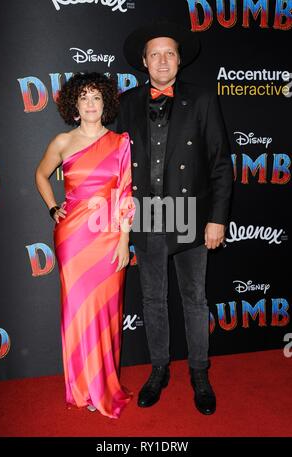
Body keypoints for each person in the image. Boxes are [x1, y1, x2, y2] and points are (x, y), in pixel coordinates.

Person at [116, 21, 233, 415]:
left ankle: (199, 372)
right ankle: (159, 369)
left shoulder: (201, 98)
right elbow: (117, 167)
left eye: (170, 53)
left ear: (179, 60)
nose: (162, 60)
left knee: (194, 300)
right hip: (146, 215)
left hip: (190, 216)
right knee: (152, 299)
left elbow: (220, 163)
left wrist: (216, 220)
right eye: (155, 54)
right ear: (144, 62)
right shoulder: (128, 102)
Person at [35, 72, 135, 419]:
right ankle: (81, 388)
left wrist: (124, 240)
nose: (91, 104)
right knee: (78, 312)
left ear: (105, 103)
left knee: (106, 312)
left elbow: (125, 195)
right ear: (74, 106)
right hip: (73, 237)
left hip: (108, 235)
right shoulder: (62, 142)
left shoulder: (121, 142)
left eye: (96, 98)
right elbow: (40, 175)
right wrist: (53, 208)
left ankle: (103, 386)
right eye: (84, 98)